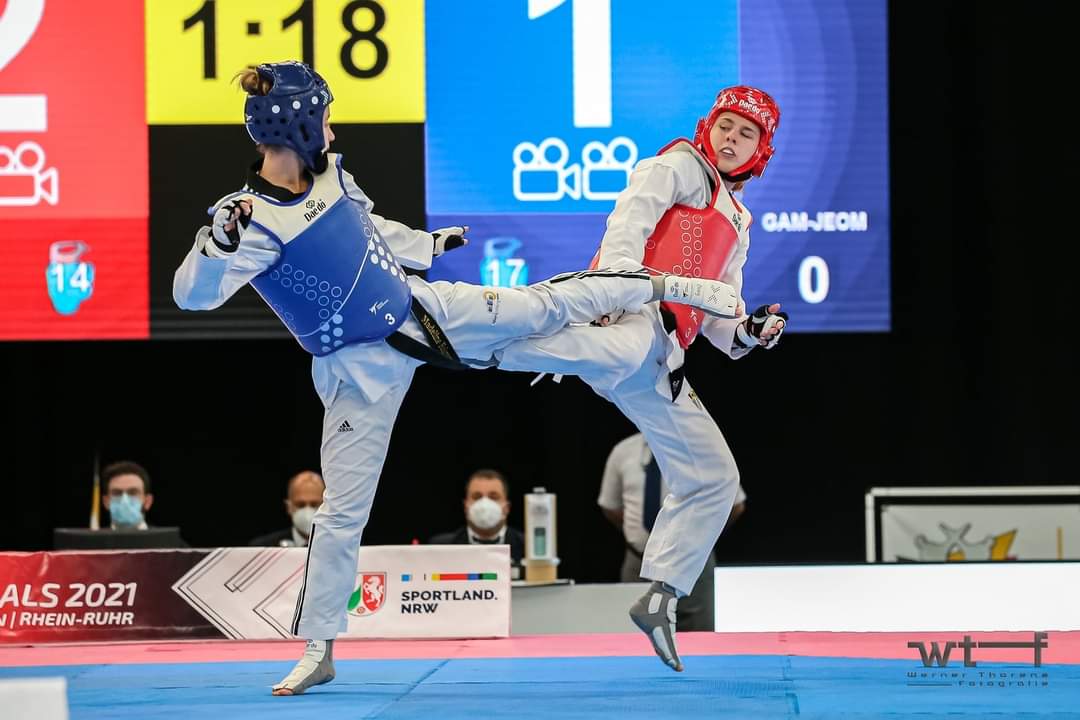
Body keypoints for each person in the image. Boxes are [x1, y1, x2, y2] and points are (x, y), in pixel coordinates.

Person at [171, 61, 744, 695]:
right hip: (357, 370)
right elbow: (191, 295)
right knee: (343, 511)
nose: (332, 129)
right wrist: (215, 244)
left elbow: (370, 230)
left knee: (540, 307)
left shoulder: (332, 174)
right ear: (301, 124)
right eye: (325, 118)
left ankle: (665, 288)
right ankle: (318, 649)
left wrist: (427, 245)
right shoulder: (249, 219)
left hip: (424, 310)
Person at [496, 86, 788, 671]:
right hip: (633, 315)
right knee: (612, 350)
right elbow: (627, 223)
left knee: (715, 477)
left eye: (745, 134)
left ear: (761, 150)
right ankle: (464, 335)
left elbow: (720, 321)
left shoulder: (739, 222)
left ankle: (660, 597)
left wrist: (752, 331)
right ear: (708, 127)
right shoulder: (680, 164)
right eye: (725, 127)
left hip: (663, 360)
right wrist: (610, 292)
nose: (731, 140)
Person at [599, 432, 747, 631]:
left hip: (692, 563)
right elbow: (610, 505)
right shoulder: (623, 451)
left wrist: (701, 536)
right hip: (637, 563)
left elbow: (734, 504)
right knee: (634, 637)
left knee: (699, 636)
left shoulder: (702, 450)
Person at [429, 469, 525, 578]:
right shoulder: (440, 548)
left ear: (507, 508)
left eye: (493, 497)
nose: (484, 504)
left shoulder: (526, 547)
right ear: (465, 506)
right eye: (476, 497)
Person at [249, 471, 325, 547]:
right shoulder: (262, 548)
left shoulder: (333, 546)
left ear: (326, 506)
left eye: (314, 505)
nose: (307, 511)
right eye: (300, 505)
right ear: (288, 507)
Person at [101, 461, 155, 530]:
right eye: (117, 493)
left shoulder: (165, 537)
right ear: (106, 501)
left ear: (148, 501)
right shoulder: (92, 537)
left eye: (133, 493)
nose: (125, 501)